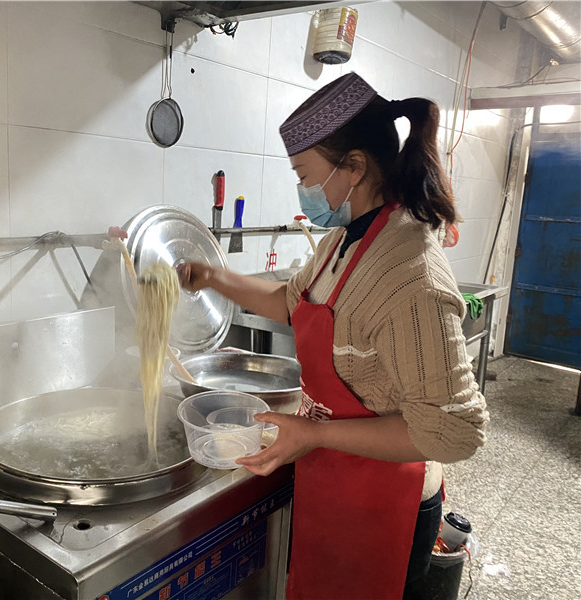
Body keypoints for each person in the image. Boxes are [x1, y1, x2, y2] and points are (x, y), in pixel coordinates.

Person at [176, 72, 488, 600]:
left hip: (387, 500)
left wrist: (316, 435)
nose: (300, 188)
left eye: (303, 173)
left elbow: (456, 432)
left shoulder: (410, 273)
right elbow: (290, 303)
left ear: (354, 167)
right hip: (336, 482)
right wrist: (214, 277)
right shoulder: (342, 241)